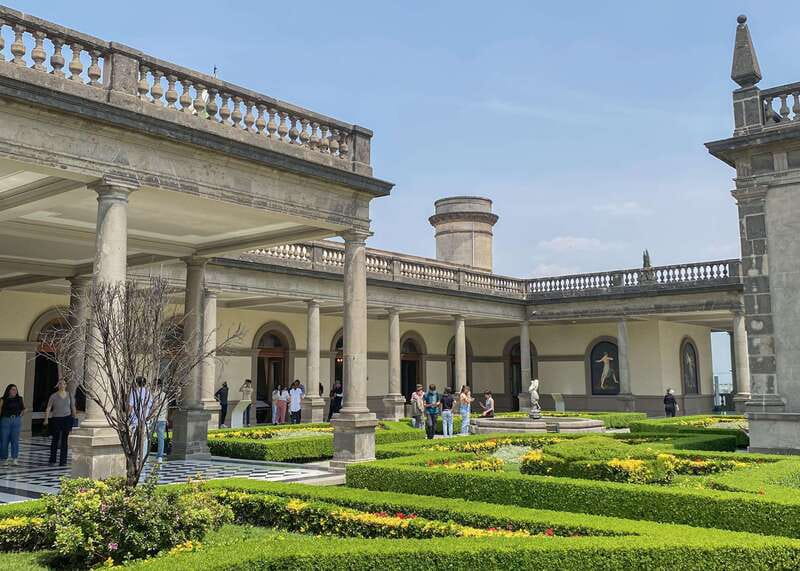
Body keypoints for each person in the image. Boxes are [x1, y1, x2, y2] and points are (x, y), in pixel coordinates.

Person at [44, 380, 76, 466]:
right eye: (60, 383)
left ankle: (63, 461)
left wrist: (74, 416)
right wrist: (46, 419)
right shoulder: (53, 396)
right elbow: (48, 407)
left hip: (67, 418)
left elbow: (72, 406)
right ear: (58, 385)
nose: (62, 385)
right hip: (56, 418)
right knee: (55, 439)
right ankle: (52, 459)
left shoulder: (69, 395)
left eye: (64, 384)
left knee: (65, 440)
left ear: (66, 385)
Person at [0, 384, 26, 466]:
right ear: (8, 390)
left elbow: (24, 408)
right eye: (12, 389)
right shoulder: (3, 399)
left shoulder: (19, 399)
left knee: (15, 440)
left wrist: (20, 415)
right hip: (5, 420)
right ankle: (4, 458)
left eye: (15, 389)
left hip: (16, 420)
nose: (14, 391)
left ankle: (15, 458)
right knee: (4, 440)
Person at [129, 377, 153, 461]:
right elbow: (151, 406)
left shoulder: (134, 392)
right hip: (145, 418)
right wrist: (149, 415)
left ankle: (135, 456)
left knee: (135, 437)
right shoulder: (148, 392)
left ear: (137, 383)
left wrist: (128, 416)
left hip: (135, 418)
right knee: (144, 438)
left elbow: (131, 406)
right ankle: (143, 457)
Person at [154, 380, 168, 462]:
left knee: (148, 438)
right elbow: (167, 408)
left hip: (155, 418)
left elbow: (153, 407)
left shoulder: (154, 395)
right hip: (162, 419)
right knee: (161, 438)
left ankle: (145, 454)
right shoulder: (165, 395)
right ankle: (160, 456)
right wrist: (166, 418)